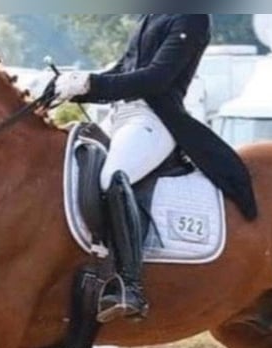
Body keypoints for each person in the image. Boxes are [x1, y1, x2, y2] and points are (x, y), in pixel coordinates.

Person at [54, 14, 256, 324]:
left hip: (154, 119)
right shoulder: (152, 14)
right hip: (120, 117)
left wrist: (93, 84)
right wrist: (77, 86)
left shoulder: (192, 18)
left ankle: (130, 286)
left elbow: (156, 78)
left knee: (112, 178)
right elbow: (124, 68)